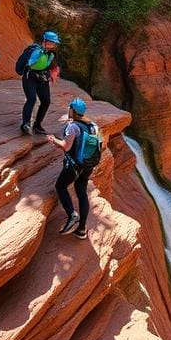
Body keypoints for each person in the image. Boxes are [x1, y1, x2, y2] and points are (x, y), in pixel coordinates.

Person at [47, 97, 100, 239]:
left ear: (72, 110)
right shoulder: (93, 125)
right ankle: (82, 229)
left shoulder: (73, 127)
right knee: (81, 190)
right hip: (88, 164)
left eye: (69, 108)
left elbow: (66, 146)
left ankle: (72, 216)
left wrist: (53, 139)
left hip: (74, 165)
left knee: (61, 186)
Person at [20, 31, 60, 135]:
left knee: (46, 101)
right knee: (31, 98)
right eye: (50, 42)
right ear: (44, 41)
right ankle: (26, 124)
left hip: (42, 78)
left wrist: (54, 72)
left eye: (54, 43)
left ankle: (37, 125)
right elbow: (29, 61)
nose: (52, 45)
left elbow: (53, 65)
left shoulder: (50, 53)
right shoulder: (34, 50)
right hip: (30, 77)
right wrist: (40, 52)